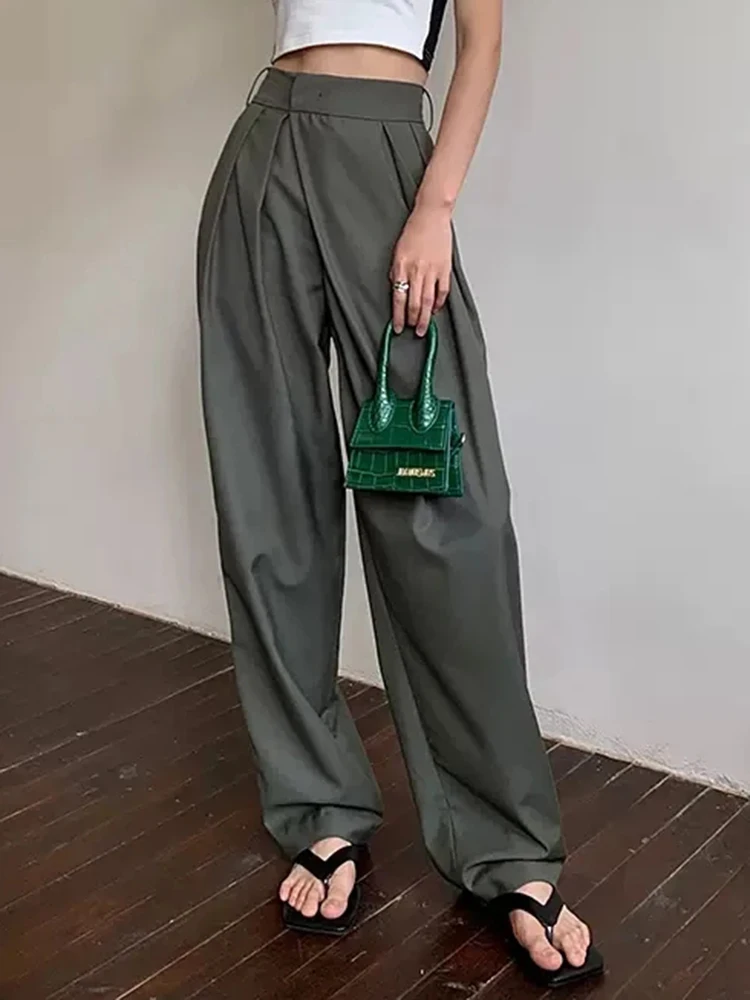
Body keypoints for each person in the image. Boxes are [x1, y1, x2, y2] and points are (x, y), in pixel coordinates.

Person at [197, 0, 603, 987]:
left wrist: (435, 206)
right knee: (269, 496)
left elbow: (483, 41)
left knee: (446, 519)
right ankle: (319, 804)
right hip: (263, 145)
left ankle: (506, 844)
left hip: (388, 159)